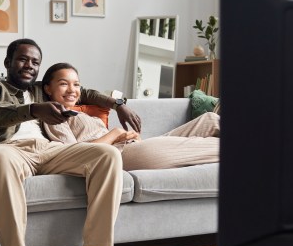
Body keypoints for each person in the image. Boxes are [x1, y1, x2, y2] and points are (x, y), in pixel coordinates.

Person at [0, 39, 141, 246]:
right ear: (8, 62)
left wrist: (118, 103)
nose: (29, 66)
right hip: (10, 150)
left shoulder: (40, 90)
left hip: (50, 150)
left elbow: (87, 93)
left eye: (35, 62)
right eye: (23, 59)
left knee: (108, 156)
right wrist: (34, 110)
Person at [41, 63, 220, 171]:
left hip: (134, 147)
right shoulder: (53, 116)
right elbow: (74, 155)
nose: (72, 90)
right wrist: (116, 133)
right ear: (48, 88)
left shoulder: (78, 112)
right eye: (64, 84)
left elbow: (91, 95)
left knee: (210, 119)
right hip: (122, 156)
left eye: (76, 84)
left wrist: (128, 135)